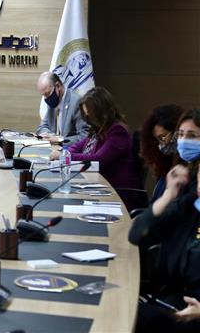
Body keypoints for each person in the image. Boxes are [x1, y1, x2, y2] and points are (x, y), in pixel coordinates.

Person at [129, 109, 200, 332]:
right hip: (174, 300)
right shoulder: (189, 202)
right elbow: (137, 234)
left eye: (192, 135)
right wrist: (169, 194)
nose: (184, 141)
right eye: (181, 135)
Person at [50, 86, 142, 209]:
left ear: (101, 113)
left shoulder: (118, 132)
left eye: (90, 115)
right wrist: (65, 152)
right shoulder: (98, 129)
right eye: (86, 115)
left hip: (117, 194)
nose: (88, 120)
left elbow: (98, 159)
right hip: (98, 186)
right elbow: (78, 146)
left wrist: (65, 156)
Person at [140, 104, 185, 201]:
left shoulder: (185, 170)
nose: (161, 144)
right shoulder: (165, 166)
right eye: (157, 139)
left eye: (162, 137)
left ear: (176, 132)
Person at [36, 71, 88, 144]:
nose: (46, 98)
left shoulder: (76, 102)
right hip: (53, 148)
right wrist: (48, 135)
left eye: (47, 93)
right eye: (43, 95)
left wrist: (59, 139)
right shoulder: (53, 103)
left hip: (70, 149)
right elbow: (42, 127)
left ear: (58, 86)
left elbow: (85, 136)